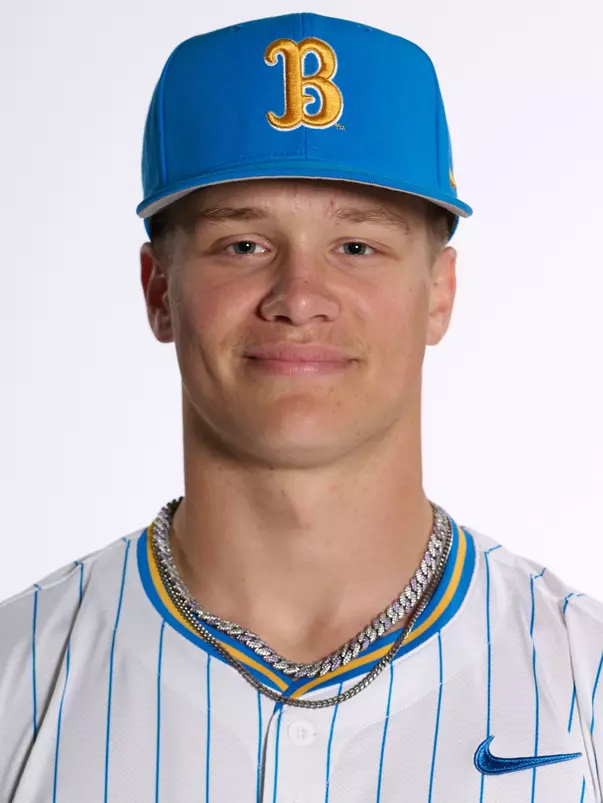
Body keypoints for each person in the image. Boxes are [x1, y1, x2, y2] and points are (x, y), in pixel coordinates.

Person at [1, 11, 601, 803]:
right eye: (242, 244)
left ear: (439, 292)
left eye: (357, 246)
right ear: (158, 291)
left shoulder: (582, 682)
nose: (299, 297)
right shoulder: (17, 679)